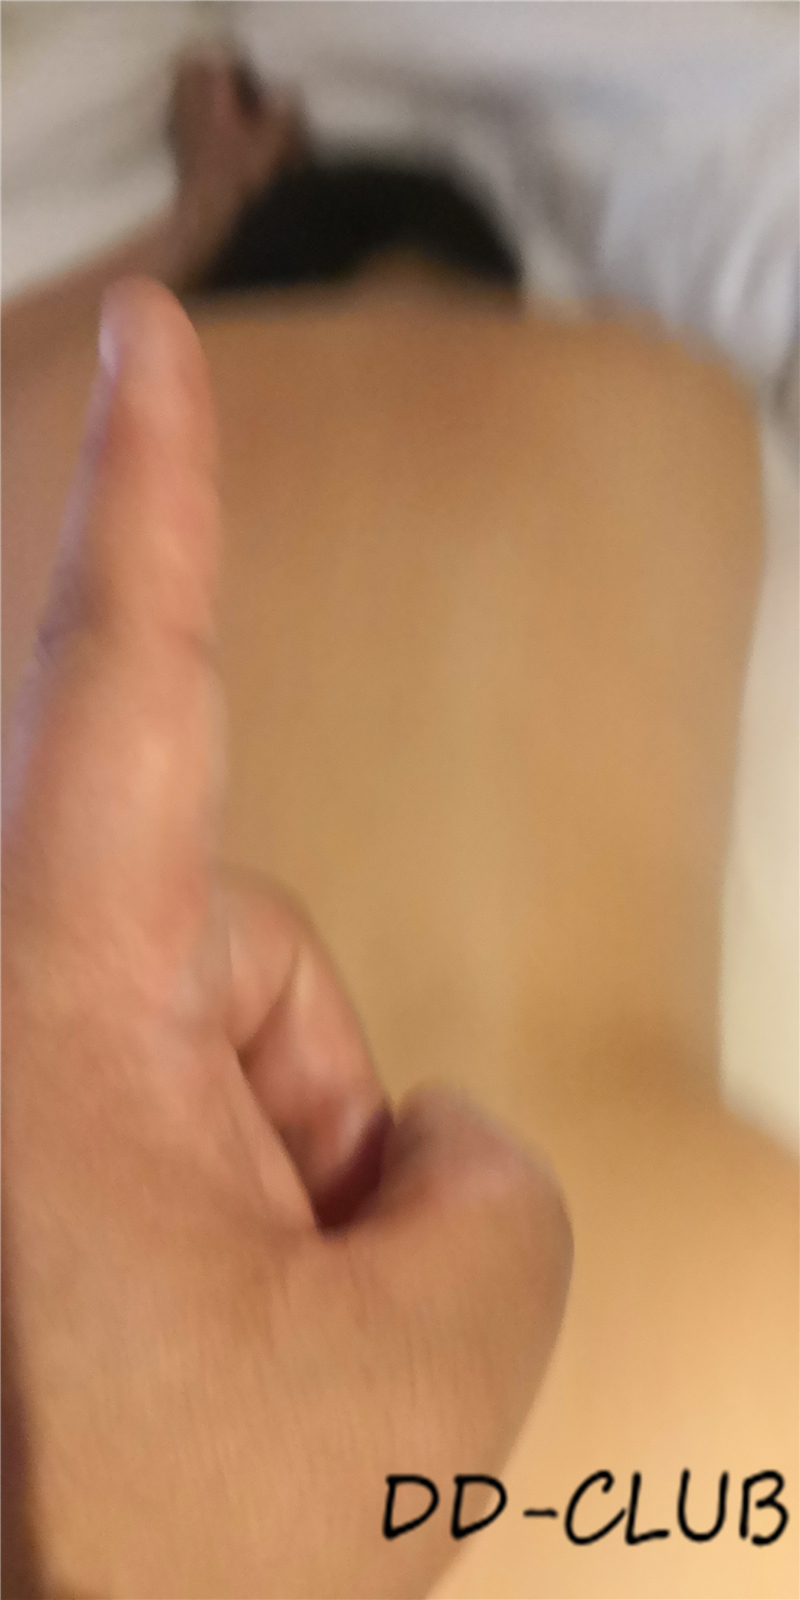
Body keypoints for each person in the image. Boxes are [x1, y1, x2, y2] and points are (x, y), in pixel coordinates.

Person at [2, 52, 797, 1600]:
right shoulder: (673, 403)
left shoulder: (54, 432)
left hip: (94, 1376)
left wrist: (199, 213)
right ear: (498, 296)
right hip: (697, 1362)